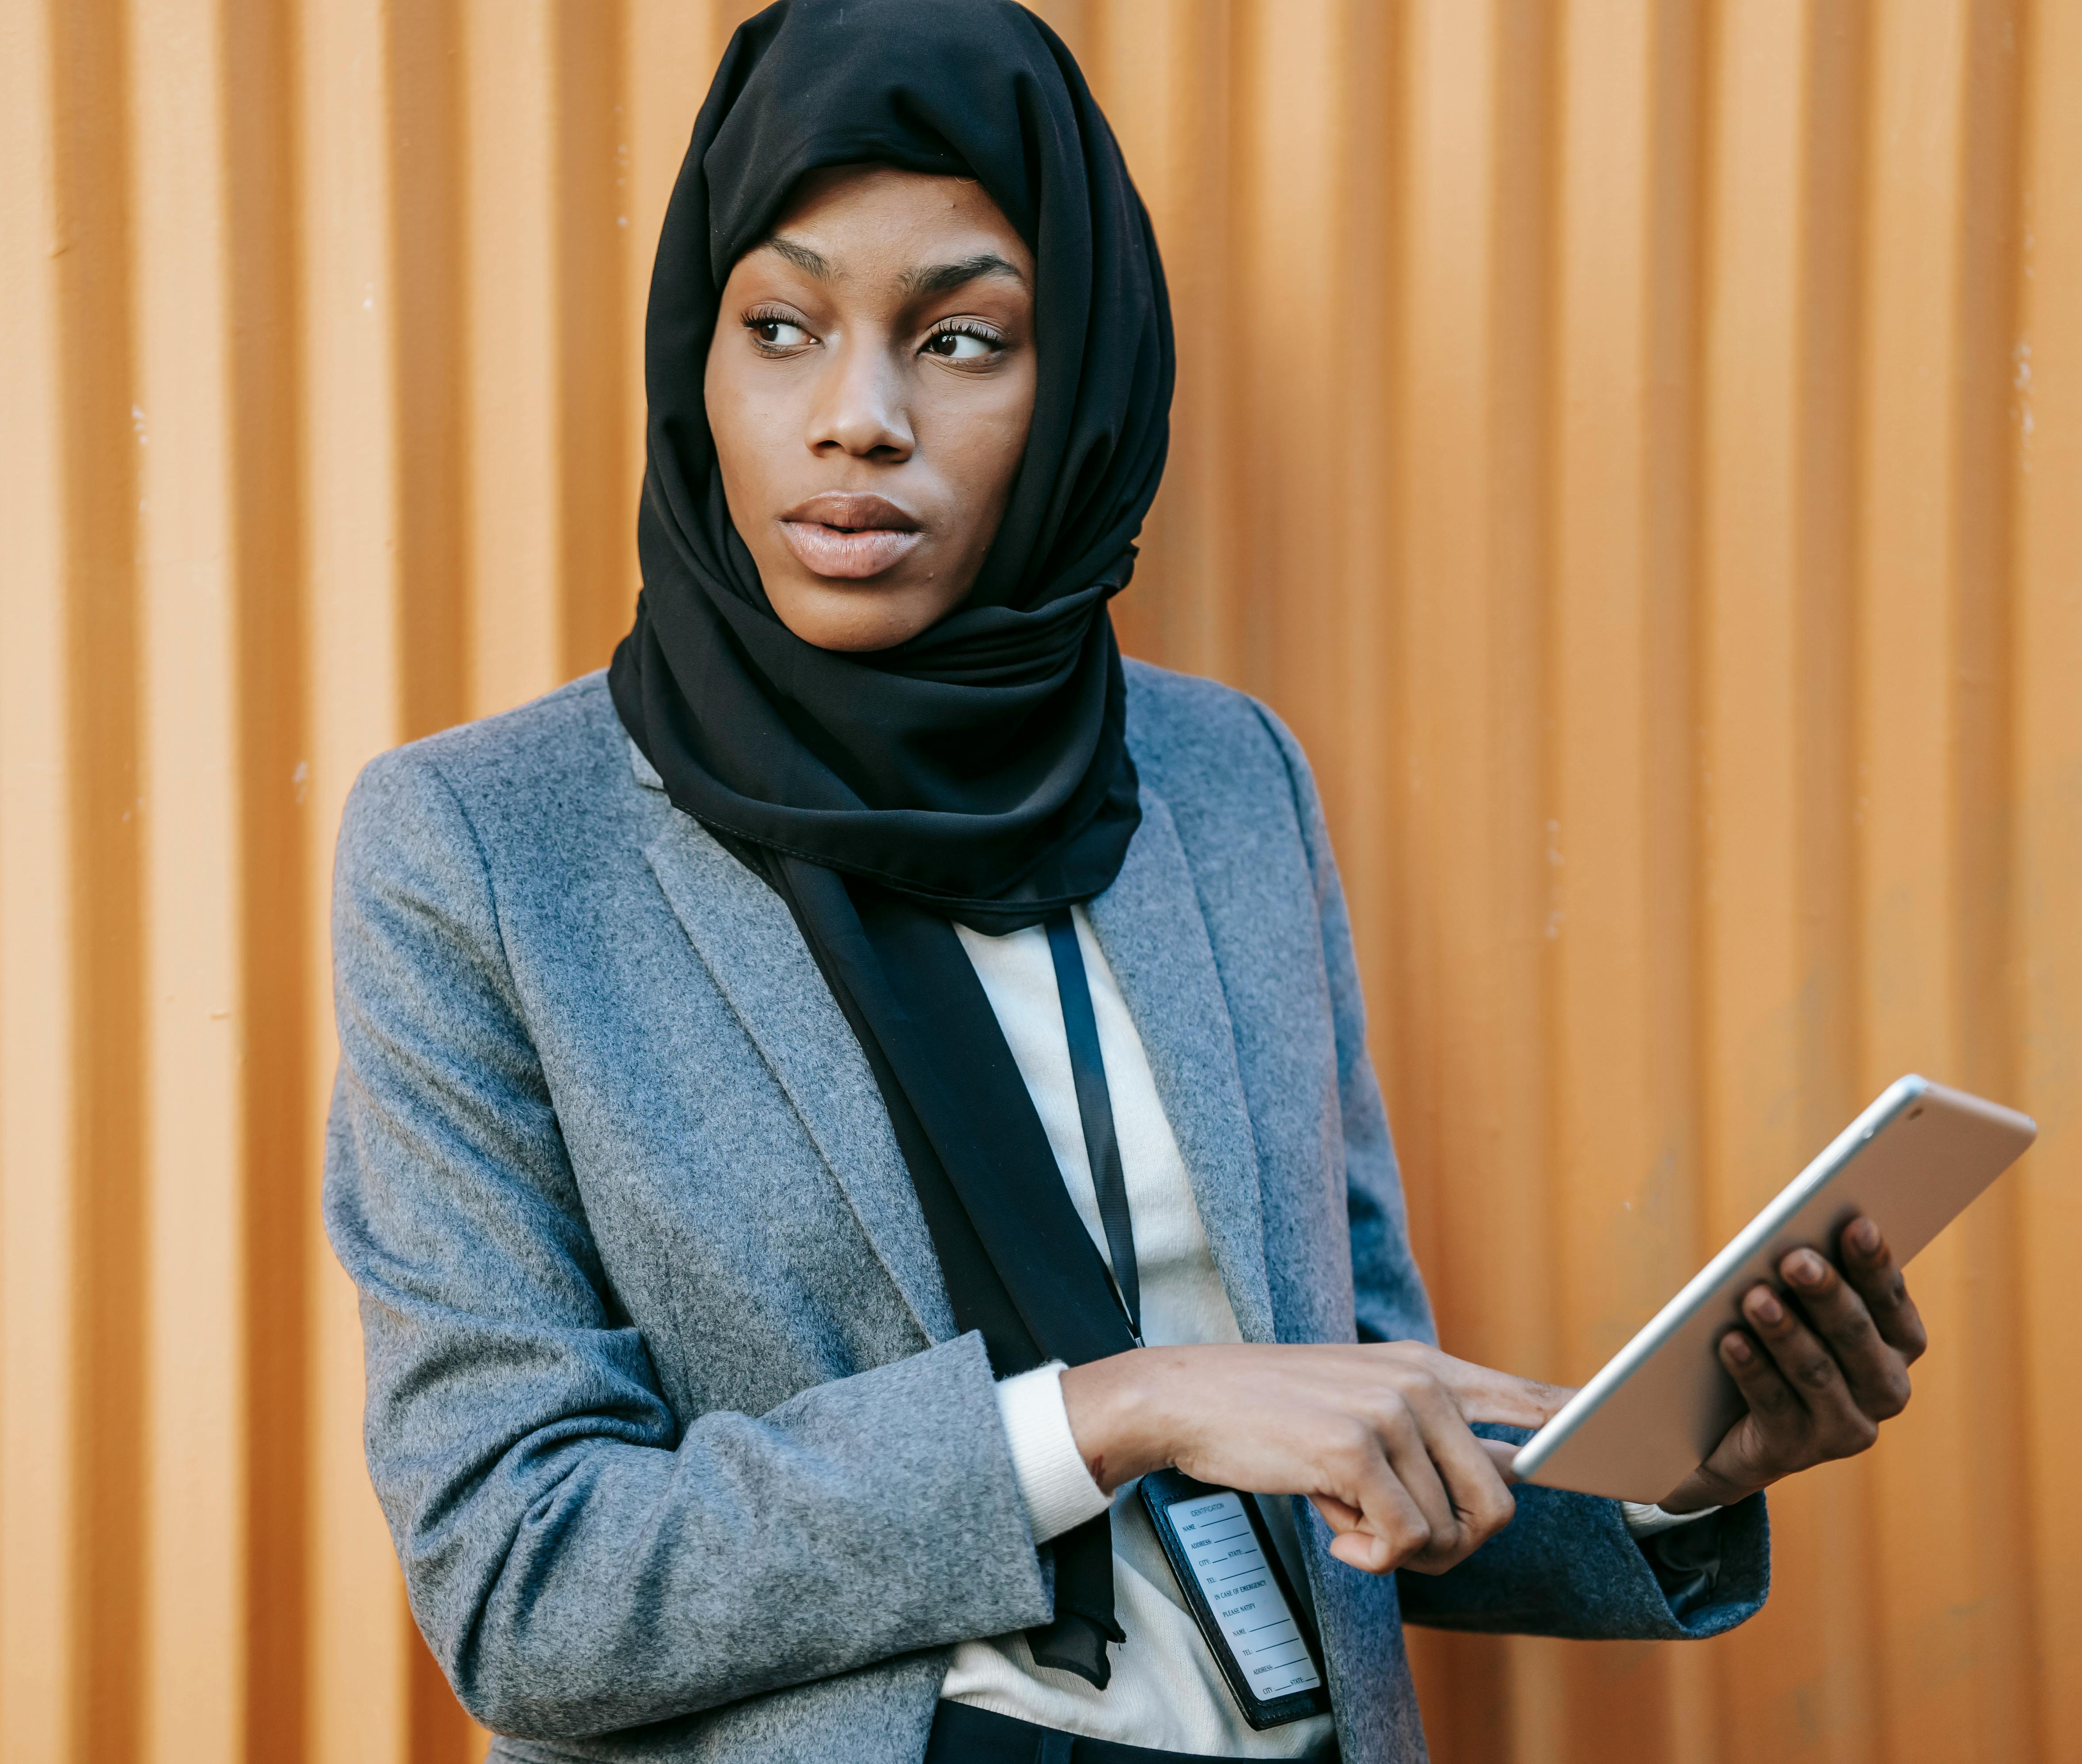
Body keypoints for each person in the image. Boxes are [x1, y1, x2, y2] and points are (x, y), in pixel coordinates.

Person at [324, 4, 1929, 1759]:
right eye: (779, 327)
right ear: (696, 364)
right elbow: (524, 1582)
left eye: (961, 339)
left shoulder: (1225, 780)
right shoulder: (485, 850)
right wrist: (1130, 1406)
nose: (855, 419)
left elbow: (1353, 1409)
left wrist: (1681, 1462)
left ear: (1079, 376)